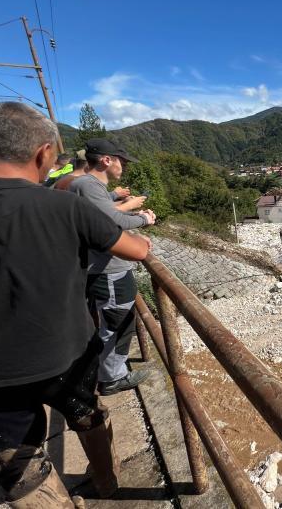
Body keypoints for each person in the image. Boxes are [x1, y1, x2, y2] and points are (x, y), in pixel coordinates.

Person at [0, 101, 151, 506]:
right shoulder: (66, 206)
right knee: (88, 417)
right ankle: (106, 482)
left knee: (24, 472)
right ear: (44, 152)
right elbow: (135, 250)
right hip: (66, 356)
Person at [68, 138, 156, 396]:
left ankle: (108, 372)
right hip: (109, 271)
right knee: (117, 323)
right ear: (107, 160)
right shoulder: (87, 184)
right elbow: (111, 221)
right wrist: (144, 220)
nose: (124, 167)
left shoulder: (84, 185)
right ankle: (112, 378)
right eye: (123, 161)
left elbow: (106, 216)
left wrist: (132, 224)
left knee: (113, 321)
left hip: (101, 268)